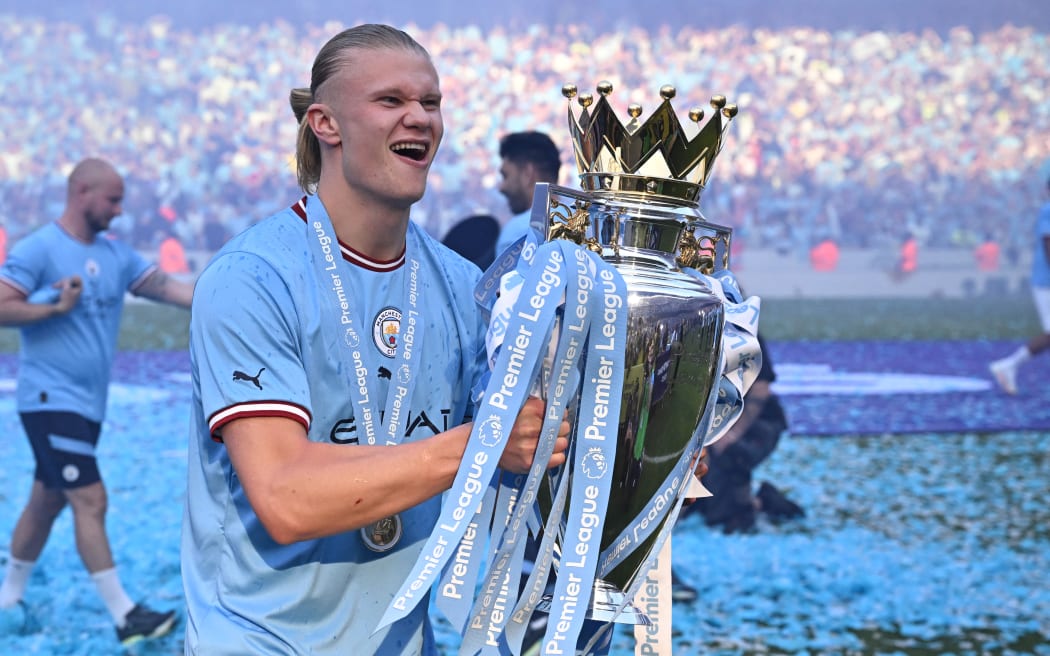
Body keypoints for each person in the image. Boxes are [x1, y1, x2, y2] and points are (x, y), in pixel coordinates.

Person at [180, 24, 571, 655]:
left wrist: (637, 446)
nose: (420, 117)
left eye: (431, 102)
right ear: (325, 124)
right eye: (391, 101)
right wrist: (485, 443)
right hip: (258, 641)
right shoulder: (251, 278)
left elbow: (521, 455)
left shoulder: (463, 285)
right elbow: (285, 497)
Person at [0, 157, 194, 646]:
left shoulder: (116, 255)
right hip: (49, 399)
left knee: (46, 501)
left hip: (88, 405)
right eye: (113, 199)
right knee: (90, 497)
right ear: (82, 192)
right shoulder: (40, 248)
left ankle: (8, 598)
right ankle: (125, 615)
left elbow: (169, 289)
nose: (120, 210)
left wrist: (228, 295)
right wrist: (52, 304)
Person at [683, 334, 803, 534]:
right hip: (715, 421)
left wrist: (731, 433)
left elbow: (761, 390)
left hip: (757, 421)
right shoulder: (691, 331)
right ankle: (747, 504)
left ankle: (758, 506)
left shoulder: (744, 333)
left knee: (730, 455)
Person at [989, 174, 1050, 394]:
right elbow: (1048, 244)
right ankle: (1008, 365)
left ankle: (1008, 366)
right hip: (1047, 282)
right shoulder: (1048, 210)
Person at [494, 130, 562, 257]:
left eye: (506, 176)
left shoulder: (517, 234)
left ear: (527, 173)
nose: (502, 188)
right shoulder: (588, 224)